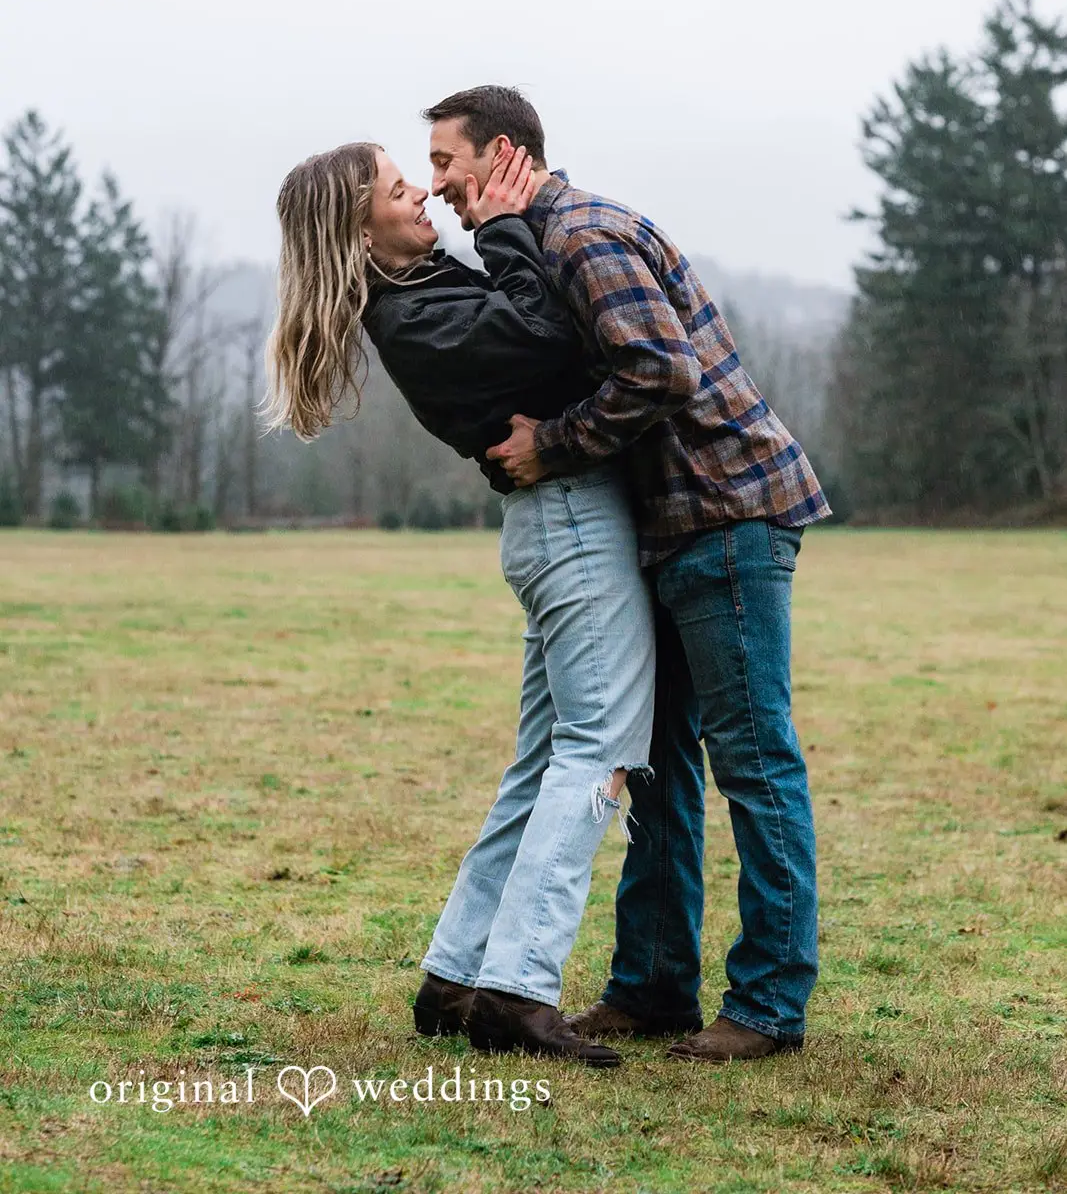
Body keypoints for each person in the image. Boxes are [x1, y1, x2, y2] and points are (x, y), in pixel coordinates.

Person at [425, 84, 833, 1063]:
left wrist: (551, 446)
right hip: (661, 529)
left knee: (751, 758)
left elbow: (659, 373)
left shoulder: (582, 236)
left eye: (445, 161)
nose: (434, 183)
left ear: (503, 152)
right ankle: (653, 984)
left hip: (724, 514)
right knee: (654, 763)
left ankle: (769, 1004)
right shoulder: (538, 240)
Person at [264, 139, 655, 1067]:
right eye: (401, 192)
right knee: (598, 754)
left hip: (555, 523)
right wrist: (511, 225)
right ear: (360, 233)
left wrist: (496, 232)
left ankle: (455, 976)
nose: (425, 196)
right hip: (569, 525)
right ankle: (518, 992)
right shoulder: (414, 318)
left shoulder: (423, 289)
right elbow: (547, 334)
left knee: (538, 765)